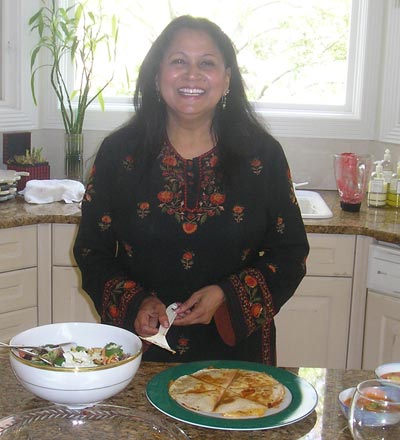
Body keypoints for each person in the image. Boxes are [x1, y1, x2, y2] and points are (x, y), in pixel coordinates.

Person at [73, 15, 309, 365]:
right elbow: (93, 251)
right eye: (179, 61)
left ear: (227, 80)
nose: (192, 75)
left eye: (207, 63)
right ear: (156, 76)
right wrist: (136, 302)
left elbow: (290, 254)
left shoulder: (262, 156)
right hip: (142, 351)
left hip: (238, 360)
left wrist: (226, 296)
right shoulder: (119, 154)